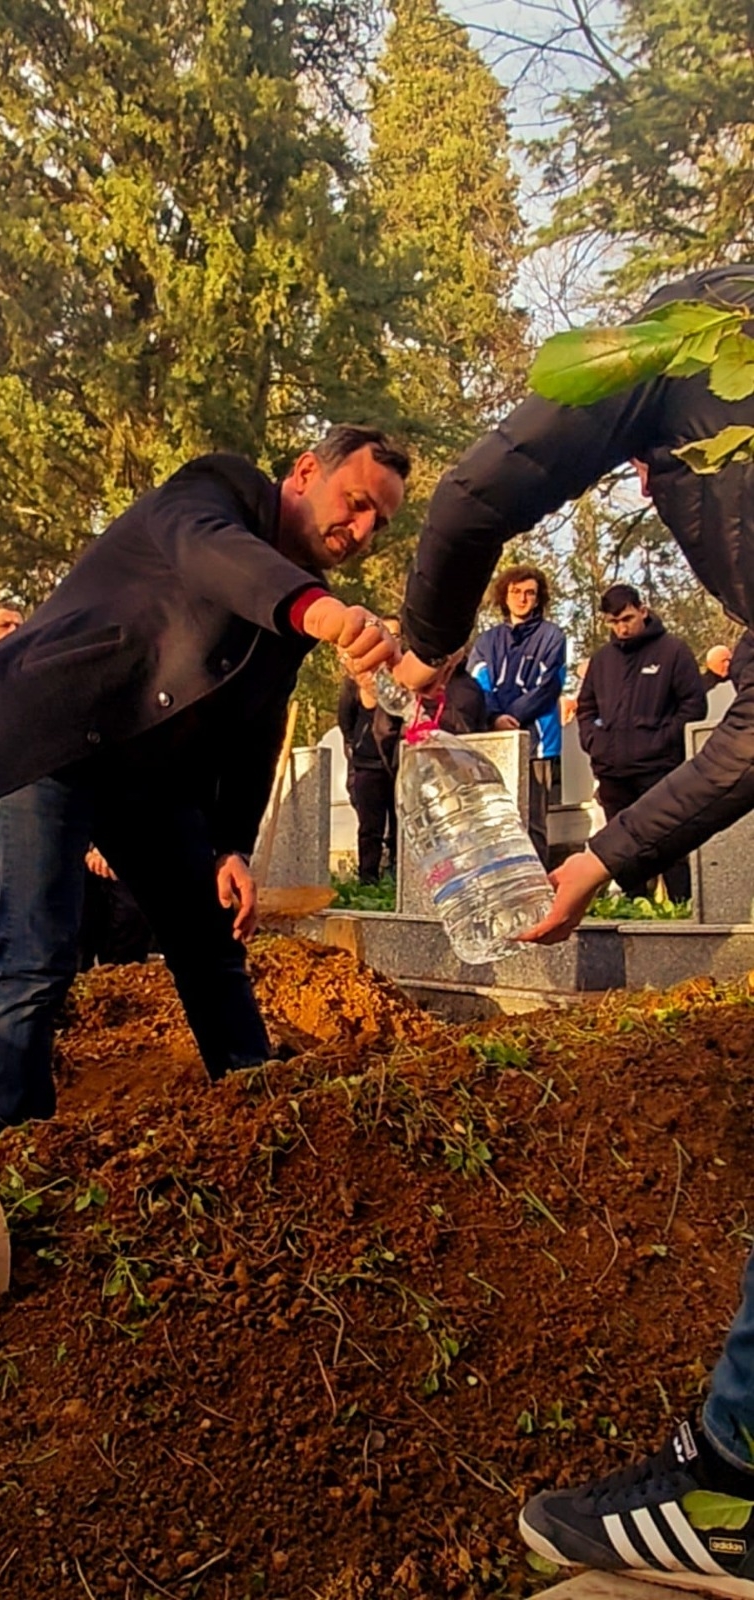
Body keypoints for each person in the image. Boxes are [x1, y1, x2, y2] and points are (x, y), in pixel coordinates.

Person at [395, 262, 754, 1595]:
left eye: (659, 473)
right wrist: (598, 858)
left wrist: (428, 648)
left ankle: (735, 1491)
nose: (660, 493)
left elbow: (471, 494)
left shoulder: (672, 347)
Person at [0, 426, 409, 1136]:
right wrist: (317, 611)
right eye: (355, 503)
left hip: (151, 781)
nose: (359, 531)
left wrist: (231, 843)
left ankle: (261, 1116)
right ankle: (19, 1153)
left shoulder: (297, 607)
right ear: (303, 472)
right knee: (38, 956)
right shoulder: (217, 491)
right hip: (56, 737)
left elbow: (257, 727)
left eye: (377, 523)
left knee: (209, 945)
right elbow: (213, 554)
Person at [578, 583, 705, 902]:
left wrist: (662, 740)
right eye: (614, 622)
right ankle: (635, 907)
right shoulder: (602, 660)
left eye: (627, 619)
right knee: (622, 851)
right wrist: (595, 742)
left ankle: (681, 908)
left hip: (659, 770)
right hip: (612, 772)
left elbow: (693, 705)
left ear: (643, 611)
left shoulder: (673, 651)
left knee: (670, 843)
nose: (621, 628)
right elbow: (586, 707)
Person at [467, 564, 565, 866]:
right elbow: (478, 683)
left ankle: (539, 886)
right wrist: (495, 717)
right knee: (496, 818)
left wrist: (515, 717)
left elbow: (549, 685)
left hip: (537, 743)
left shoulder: (553, 637)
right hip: (494, 742)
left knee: (534, 820)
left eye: (530, 593)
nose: (523, 599)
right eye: (516, 592)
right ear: (504, 595)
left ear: (538, 599)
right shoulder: (486, 641)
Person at [338, 617, 402, 884]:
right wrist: (357, 751)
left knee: (400, 826)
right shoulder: (352, 684)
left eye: (396, 635)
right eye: (386, 633)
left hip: (399, 763)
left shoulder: (404, 680)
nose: (391, 640)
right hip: (367, 765)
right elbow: (346, 723)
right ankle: (368, 880)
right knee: (370, 828)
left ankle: (399, 877)